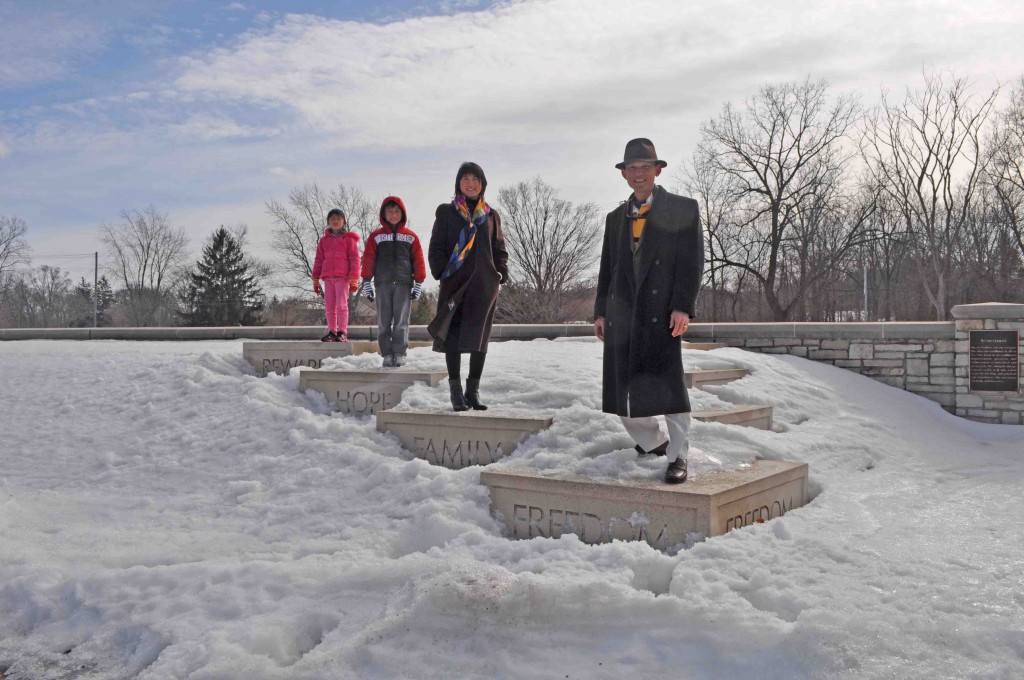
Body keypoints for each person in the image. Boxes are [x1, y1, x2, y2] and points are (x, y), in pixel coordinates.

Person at [594, 138, 704, 484]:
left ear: (657, 170)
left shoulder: (683, 209)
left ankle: (679, 455)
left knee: (670, 391)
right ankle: (654, 442)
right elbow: (608, 268)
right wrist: (601, 312)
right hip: (624, 315)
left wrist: (683, 306)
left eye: (645, 167)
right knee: (621, 389)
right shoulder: (615, 218)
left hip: (662, 313)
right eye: (632, 168)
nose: (638, 174)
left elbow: (692, 262)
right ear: (624, 173)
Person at [427, 162, 508, 411]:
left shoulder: (491, 215)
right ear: (458, 184)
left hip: (484, 286)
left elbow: (499, 249)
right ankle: (455, 392)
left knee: (479, 339)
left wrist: (500, 273)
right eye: (465, 179)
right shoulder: (446, 212)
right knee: (453, 337)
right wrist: (444, 272)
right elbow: (436, 247)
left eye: (475, 179)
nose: (470, 183)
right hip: (455, 284)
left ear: (482, 183)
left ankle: (472, 392)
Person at [361, 196, 427, 367]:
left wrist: (418, 282)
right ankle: (387, 354)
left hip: (404, 284)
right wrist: (367, 281)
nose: (393, 214)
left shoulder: (411, 237)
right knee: (384, 321)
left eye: (397, 211)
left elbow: (418, 260)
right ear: (384, 214)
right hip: (382, 284)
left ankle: (399, 352)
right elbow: (368, 258)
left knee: (401, 321)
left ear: (402, 213)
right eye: (390, 211)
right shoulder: (376, 236)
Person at [312, 208, 361, 342]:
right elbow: (318, 260)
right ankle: (332, 331)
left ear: (343, 222)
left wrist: (354, 278)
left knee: (341, 305)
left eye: (338, 219)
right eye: (332, 219)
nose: (335, 221)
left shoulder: (349, 239)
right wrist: (315, 279)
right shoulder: (323, 241)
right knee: (329, 306)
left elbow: (355, 259)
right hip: (328, 277)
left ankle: (342, 331)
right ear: (328, 221)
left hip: (342, 277)